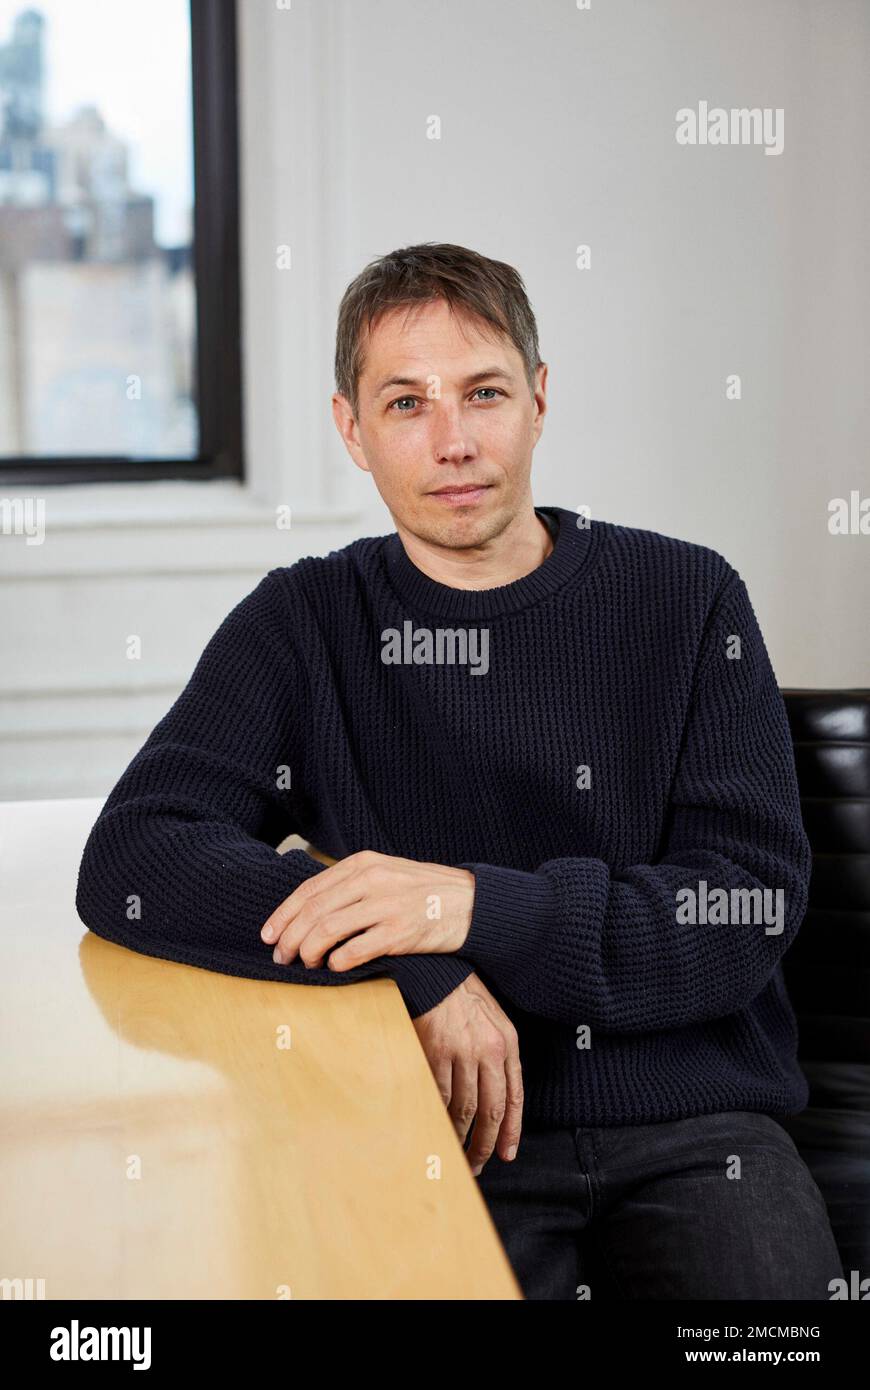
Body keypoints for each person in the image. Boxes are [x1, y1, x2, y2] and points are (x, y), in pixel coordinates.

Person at [76, 242, 844, 1300]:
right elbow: (138, 852)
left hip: (700, 1127)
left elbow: (742, 908)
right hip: (434, 1121)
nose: (453, 442)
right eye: (405, 404)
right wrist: (407, 957)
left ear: (537, 398)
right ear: (351, 428)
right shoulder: (304, 623)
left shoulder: (687, 598)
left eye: (483, 392)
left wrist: (467, 908)